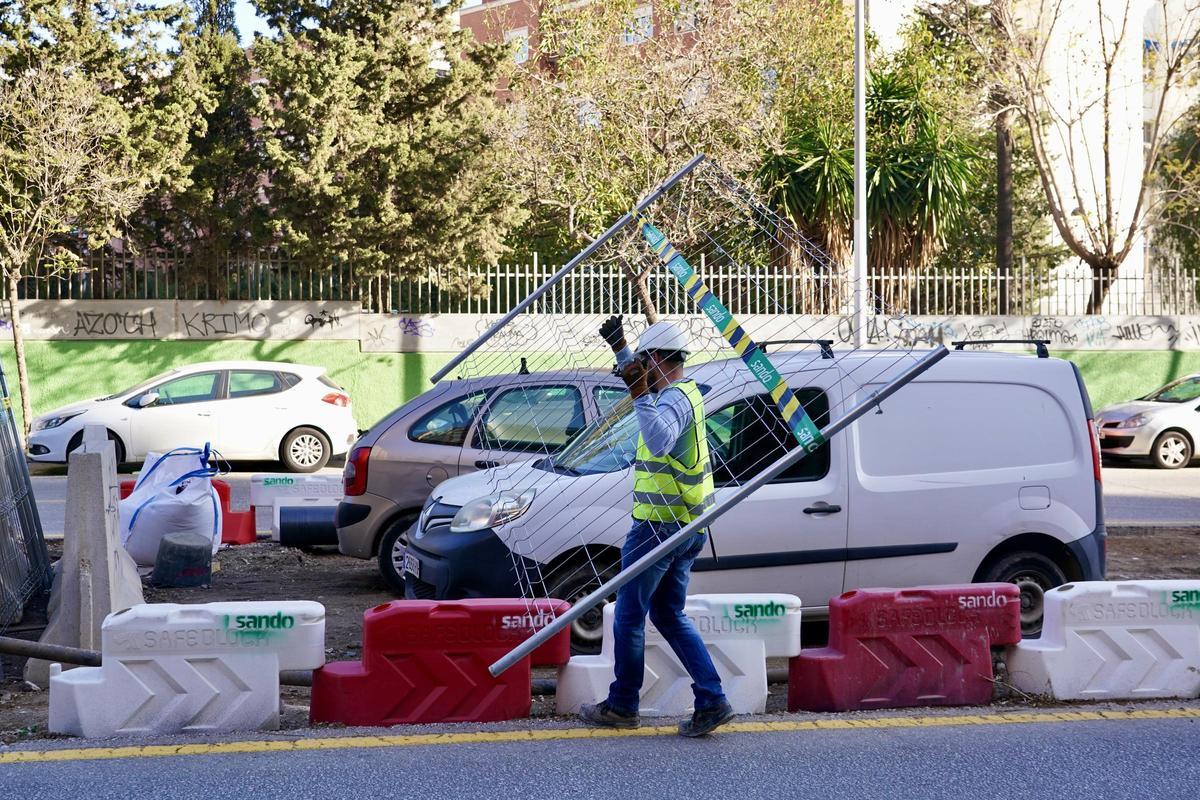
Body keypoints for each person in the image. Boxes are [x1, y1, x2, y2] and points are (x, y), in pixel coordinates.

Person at [578, 315, 734, 737]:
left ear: (660, 360)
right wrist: (621, 349)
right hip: (683, 526)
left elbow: (661, 436)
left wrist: (638, 392)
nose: (639, 370)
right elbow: (638, 380)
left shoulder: (672, 401)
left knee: (628, 618)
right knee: (668, 613)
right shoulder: (680, 391)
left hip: (657, 529)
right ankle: (713, 699)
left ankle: (623, 704)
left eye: (645, 361)